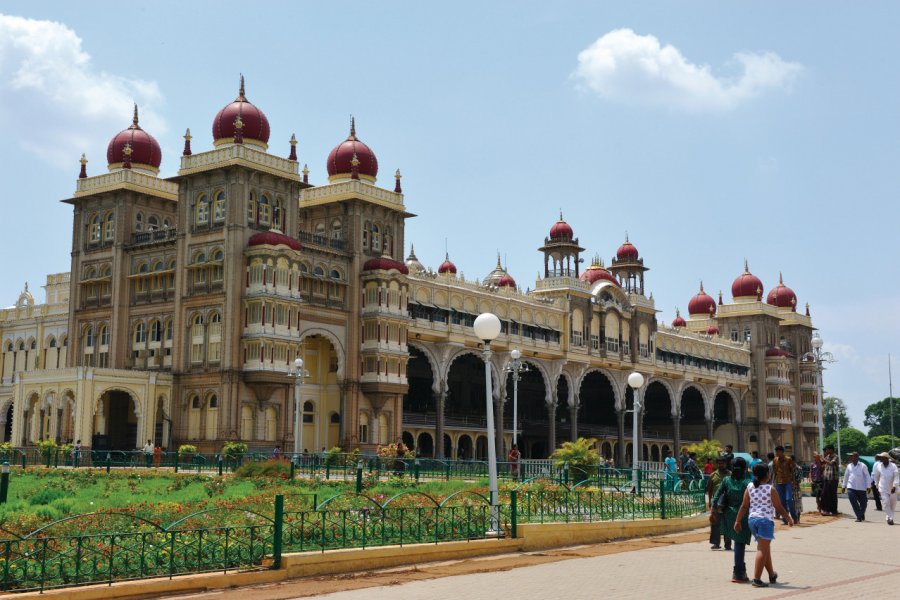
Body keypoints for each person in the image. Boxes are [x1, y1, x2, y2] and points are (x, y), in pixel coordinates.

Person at [734, 462, 794, 588]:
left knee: (765, 548)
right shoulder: (770, 489)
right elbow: (779, 507)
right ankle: (757, 579)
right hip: (765, 521)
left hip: (752, 521)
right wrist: (789, 518)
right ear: (767, 475)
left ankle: (772, 575)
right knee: (762, 549)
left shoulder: (750, 486)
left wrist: (738, 521)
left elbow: (744, 506)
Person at [712, 457, 753, 583]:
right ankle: (738, 572)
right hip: (743, 517)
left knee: (737, 542)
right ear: (745, 468)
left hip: (728, 516)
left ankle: (741, 570)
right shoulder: (748, 483)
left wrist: (713, 512)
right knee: (740, 544)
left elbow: (716, 498)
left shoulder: (726, 480)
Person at [707, 457, 731, 551]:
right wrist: (710, 501)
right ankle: (716, 543)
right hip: (716, 502)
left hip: (727, 503)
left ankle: (728, 544)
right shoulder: (713, 475)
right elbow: (709, 490)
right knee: (715, 523)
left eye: (723, 463)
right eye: (719, 463)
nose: (721, 465)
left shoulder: (730, 474)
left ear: (726, 464)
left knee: (727, 523)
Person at [842, 451, 872, 522]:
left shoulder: (863, 466)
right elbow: (846, 476)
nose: (850, 457)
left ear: (856, 457)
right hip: (851, 487)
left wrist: (868, 486)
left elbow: (867, 476)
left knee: (863, 503)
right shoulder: (849, 466)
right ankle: (859, 516)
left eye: (852, 456)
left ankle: (861, 513)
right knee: (853, 501)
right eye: (850, 456)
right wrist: (844, 486)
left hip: (861, 488)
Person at [771, 446, 797, 524]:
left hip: (787, 482)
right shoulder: (775, 460)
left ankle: (794, 517)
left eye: (779, 452)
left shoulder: (788, 459)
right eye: (776, 452)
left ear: (782, 452)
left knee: (789, 499)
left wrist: (793, 480)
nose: (777, 453)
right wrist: (773, 482)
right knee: (782, 502)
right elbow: (774, 471)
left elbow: (792, 470)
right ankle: (785, 519)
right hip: (779, 482)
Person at [872, 452, 898, 525]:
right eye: (880, 457)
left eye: (882, 457)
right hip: (883, 487)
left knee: (892, 504)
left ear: (886, 458)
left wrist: (894, 486)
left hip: (893, 488)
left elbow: (896, 476)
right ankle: (891, 518)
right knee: (886, 503)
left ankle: (888, 517)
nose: (880, 459)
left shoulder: (893, 466)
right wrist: (877, 485)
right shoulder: (879, 466)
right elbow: (876, 476)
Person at [819, 445, 840, 515]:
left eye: (827, 450)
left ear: (831, 450)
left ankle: (834, 511)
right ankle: (826, 510)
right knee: (825, 494)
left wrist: (823, 458)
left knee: (833, 495)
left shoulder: (835, 457)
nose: (826, 451)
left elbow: (831, 463)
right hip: (827, 479)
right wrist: (818, 457)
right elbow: (823, 463)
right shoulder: (827, 457)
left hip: (833, 479)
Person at [790, 455, 803, 523]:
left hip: (796, 488)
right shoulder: (788, 468)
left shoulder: (799, 468)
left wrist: (793, 480)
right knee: (790, 504)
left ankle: (797, 519)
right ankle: (793, 518)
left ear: (793, 461)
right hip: (789, 488)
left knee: (797, 503)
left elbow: (798, 480)